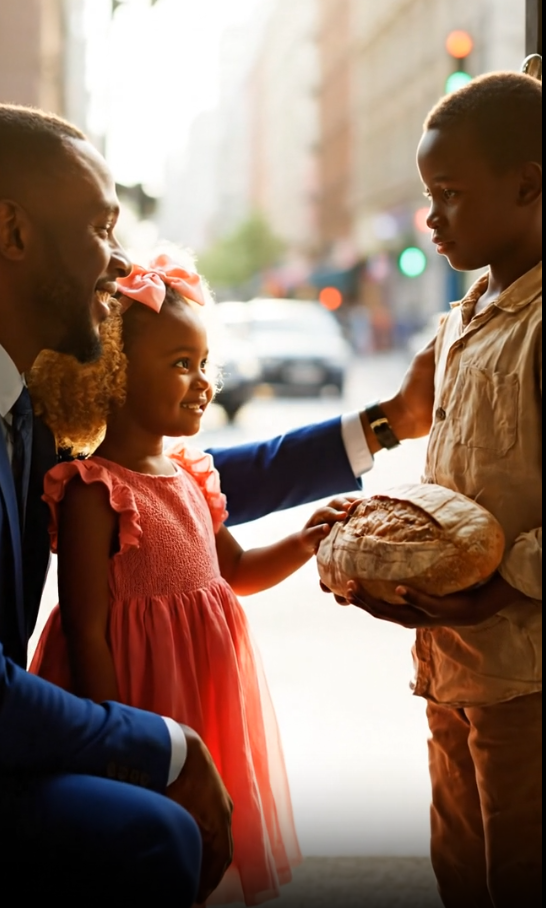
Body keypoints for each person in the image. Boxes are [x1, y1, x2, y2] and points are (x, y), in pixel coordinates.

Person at [0, 103, 433, 902]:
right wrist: (164, 743)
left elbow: (179, 487)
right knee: (156, 832)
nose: (119, 262)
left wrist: (386, 424)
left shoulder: (13, 394)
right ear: (13, 232)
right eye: (102, 227)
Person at [27, 256, 350, 904]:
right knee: (139, 855)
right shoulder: (95, 490)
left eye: (205, 364)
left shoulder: (192, 474)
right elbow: (87, 631)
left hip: (203, 696)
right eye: (181, 364)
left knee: (204, 844)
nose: (204, 382)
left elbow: (233, 571)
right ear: (112, 372)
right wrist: (120, 739)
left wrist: (306, 540)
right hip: (135, 705)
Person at [341, 72, 542, 908]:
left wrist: (498, 586)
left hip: (525, 679)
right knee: (460, 871)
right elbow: (453, 491)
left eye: (452, 195)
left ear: (531, 184)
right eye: (431, 195)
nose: (433, 219)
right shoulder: (459, 320)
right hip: (449, 667)